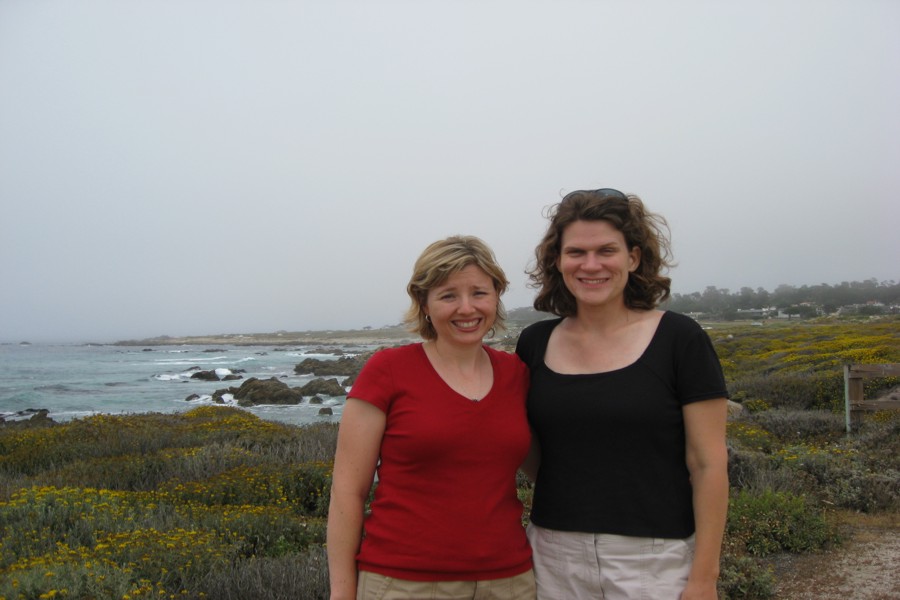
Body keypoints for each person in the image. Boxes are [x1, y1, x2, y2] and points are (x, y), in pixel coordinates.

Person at [516, 188, 729, 600]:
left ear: (633, 258)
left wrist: (704, 578)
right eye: (576, 252)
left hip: (655, 560)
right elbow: (531, 451)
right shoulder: (534, 343)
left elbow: (708, 464)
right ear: (557, 261)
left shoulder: (679, 338)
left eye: (606, 251)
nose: (590, 264)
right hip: (551, 556)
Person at [327, 235, 536, 600]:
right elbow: (348, 491)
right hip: (404, 583)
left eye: (479, 293)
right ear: (424, 302)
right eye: (448, 295)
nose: (466, 308)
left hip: (511, 582)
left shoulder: (518, 374)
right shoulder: (388, 370)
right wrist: (342, 592)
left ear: (497, 296)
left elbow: (549, 470)